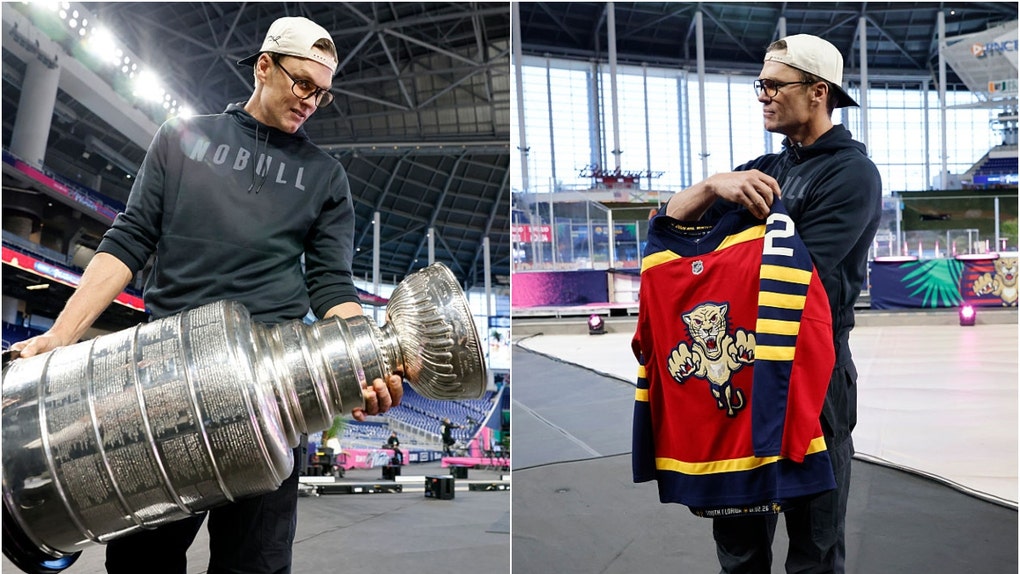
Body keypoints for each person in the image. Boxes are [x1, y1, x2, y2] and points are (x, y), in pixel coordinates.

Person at [9, 16, 403, 574]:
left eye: (323, 93)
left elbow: (331, 284)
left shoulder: (325, 177)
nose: (312, 102)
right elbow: (129, 240)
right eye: (303, 85)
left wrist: (366, 360)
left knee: (256, 567)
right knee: (143, 564)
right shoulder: (182, 136)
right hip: (162, 390)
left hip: (275, 396)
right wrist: (60, 334)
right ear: (264, 66)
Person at [662, 34, 881, 573]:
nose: (763, 95)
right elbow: (669, 231)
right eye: (760, 85)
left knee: (815, 553)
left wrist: (716, 259)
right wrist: (713, 185)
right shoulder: (757, 169)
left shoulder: (853, 175)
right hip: (741, 379)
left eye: (774, 85)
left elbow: (792, 273)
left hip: (814, 381)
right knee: (738, 552)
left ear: (818, 92)